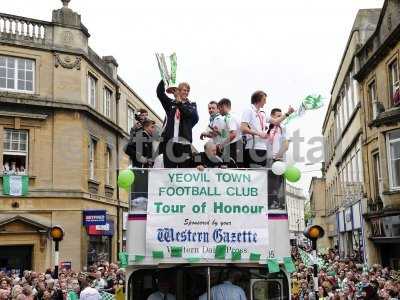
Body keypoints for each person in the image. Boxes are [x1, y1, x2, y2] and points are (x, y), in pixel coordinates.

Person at [240, 90, 294, 168]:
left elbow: (275, 121)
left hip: (263, 148)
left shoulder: (263, 113)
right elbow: (243, 128)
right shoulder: (249, 110)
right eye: (264, 100)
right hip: (252, 147)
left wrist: (288, 113)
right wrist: (259, 133)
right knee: (253, 173)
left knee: (261, 174)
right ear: (258, 99)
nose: (265, 102)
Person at [156, 80, 199, 168]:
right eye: (184, 90)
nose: (186, 92)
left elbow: (189, 114)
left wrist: (179, 102)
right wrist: (164, 80)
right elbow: (160, 94)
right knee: (169, 171)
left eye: (187, 91)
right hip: (169, 143)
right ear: (178, 91)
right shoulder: (171, 103)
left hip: (184, 143)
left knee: (184, 170)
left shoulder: (192, 105)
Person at [216, 98, 243, 166]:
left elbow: (233, 134)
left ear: (224, 106)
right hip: (238, 145)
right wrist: (218, 131)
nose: (218, 111)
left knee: (232, 169)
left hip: (234, 147)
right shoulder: (235, 116)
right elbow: (228, 134)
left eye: (219, 108)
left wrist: (222, 144)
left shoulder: (229, 117)